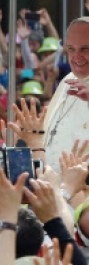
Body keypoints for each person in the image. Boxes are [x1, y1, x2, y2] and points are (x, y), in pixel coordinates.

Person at [43, 17, 89, 172]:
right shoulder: (67, 80)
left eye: (85, 49)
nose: (76, 57)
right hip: (55, 184)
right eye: (71, 49)